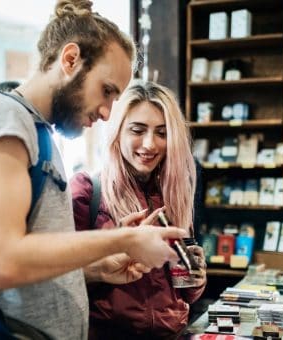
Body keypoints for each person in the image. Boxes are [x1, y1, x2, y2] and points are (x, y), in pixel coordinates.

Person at [0, 1, 186, 339]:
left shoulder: (34, 128)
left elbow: (31, 265)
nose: (106, 113)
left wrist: (99, 266)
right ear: (70, 60)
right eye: (106, 91)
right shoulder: (3, 117)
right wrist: (125, 237)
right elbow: (4, 262)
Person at [70, 81, 207, 339]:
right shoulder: (87, 190)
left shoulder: (175, 193)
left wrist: (196, 279)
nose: (149, 144)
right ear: (118, 131)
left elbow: (184, 292)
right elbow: (59, 278)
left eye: (162, 133)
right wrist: (112, 253)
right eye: (138, 130)